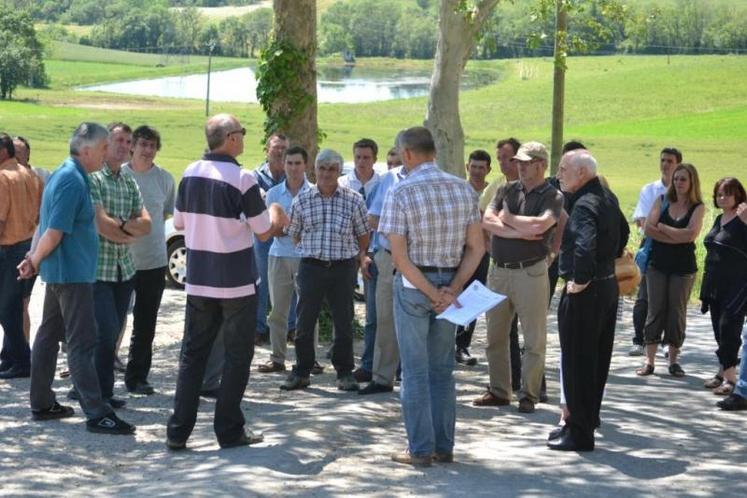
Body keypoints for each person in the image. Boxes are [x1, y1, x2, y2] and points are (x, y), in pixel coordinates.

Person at [166, 114, 284, 450]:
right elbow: (263, 230)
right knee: (236, 356)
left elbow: (178, 222)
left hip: (199, 278)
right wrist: (275, 210)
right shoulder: (243, 178)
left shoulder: (189, 173)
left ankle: (178, 431)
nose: (244, 138)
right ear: (230, 138)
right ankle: (228, 430)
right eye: (242, 133)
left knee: (192, 356)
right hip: (236, 282)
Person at [21, 122, 136, 434]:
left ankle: (42, 402)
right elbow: (55, 231)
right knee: (82, 343)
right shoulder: (73, 180)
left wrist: (35, 259)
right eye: (102, 149)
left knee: (47, 336)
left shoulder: (63, 172)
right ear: (86, 150)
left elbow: (48, 228)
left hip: (61, 272)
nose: (105, 154)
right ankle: (98, 413)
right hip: (72, 276)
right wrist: (34, 258)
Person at [379, 126, 483, 466]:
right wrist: (450, 290)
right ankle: (444, 445)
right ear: (433, 152)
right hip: (450, 283)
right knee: (442, 370)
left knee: (415, 371)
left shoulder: (401, 191)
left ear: (407, 154)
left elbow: (399, 256)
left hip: (414, 284)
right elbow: (476, 247)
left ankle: (420, 449)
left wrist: (431, 291)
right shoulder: (463, 189)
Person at [548, 149, 628, 451]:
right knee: (596, 361)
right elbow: (623, 233)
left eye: (564, 169)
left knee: (578, 361)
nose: (559, 175)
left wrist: (579, 281)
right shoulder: (607, 197)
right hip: (608, 288)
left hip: (587, 291)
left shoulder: (583, 204)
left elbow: (584, 245)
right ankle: (583, 422)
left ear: (582, 173)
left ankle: (579, 433)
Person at [478, 142, 564, 414]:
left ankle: (528, 393)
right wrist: (517, 231)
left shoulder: (553, 195)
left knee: (533, 339)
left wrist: (508, 218)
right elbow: (487, 221)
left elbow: (541, 225)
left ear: (541, 165)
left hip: (531, 272)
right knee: (495, 337)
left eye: (526, 162)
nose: (521, 167)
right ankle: (500, 391)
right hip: (499, 271)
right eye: (520, 162)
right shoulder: (505, 188)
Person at [71, 123, 151, 409]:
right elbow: (100, 225)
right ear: (106, 143)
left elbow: (148, 223)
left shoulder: (128, 181)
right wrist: (125, 229)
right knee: (103, 332)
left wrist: (120, 226)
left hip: (123, 270)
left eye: (128, 141)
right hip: (97, 270)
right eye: (118, 140)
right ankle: (91, 392)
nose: (124, 145)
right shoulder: (94, 179)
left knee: (113, 331)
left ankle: (101, 391)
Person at [281, 149, 370, 392]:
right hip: (311, 267)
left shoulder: (354, 200)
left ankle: (344, 373)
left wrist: (356, 258)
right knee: (304, 322)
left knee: (343, 322)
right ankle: (301, 371)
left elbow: (364, 235)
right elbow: (295, 234)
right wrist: (313, 252)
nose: (327, 173)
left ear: (340, 171)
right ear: (315, 170)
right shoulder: (302, 200)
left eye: (332, 169)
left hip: (342, 268)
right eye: (322, 168)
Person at [636, 163, 705, 378]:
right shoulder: (663, 199)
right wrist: (676, 235)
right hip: (657, 264)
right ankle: (649, 361)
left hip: (683, 268)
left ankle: (674, 360)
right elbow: (648, 228)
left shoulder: (698, 206)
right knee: (655, 310)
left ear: (692, 181)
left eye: (683, 179)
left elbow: (690, 235)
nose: (678, 183)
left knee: (676, 312)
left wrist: (664, 229)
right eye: (676, 179)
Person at [257, 145, 320, 374]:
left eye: (298, 163)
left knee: (307, 311)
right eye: (289, 163)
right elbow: (269, 229)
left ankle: (309, 359)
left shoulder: (314, 193)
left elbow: (312, 229)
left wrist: (286, 226)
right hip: (278, 256)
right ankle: (277, 358)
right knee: (278, 312)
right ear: (283, 165)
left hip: (306, 258)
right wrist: (289, 228)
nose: (293, 168)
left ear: (306, 166)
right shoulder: (273, 194)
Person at [123, 125, 176, 395]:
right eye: (142, 144)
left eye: (152, 145)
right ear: (131, 146)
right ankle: (95, 378)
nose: (147, 150)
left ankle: (137, 377)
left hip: (154, 262)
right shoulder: (118, 176)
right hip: (120, 260)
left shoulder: (165, 179)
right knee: (110, 322)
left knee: (146, 324)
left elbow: (166, 214)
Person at [359, 135, 408, 396]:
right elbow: (373, 217)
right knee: (384, 319)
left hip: (422, 258)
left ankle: (412, 376)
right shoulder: (390, 179)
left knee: (418, 318)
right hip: (389, 256)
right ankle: (382, 377)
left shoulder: (434, 177)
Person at [630, 147, 681, 356]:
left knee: (670, 299)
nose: (665, 164)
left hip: (675, 250)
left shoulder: (684, 192)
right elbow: (642, 222)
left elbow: (688, 229)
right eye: (663, 160)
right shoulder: (649, 190)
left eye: (670, 161)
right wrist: (669, 232)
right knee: (644, 297)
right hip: (650, 246)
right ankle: (639, 339)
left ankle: (666, 343)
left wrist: (657, 227)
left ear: (678, 164)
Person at [0, 133, 42, 379]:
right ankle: (10, 357)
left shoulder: (4, 177)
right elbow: (40, 212)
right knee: (14, 306)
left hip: (8, 249)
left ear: (3, 152)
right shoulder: (31, 174)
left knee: (7, 309)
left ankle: (23, 361)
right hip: (28, 246)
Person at [339, 138, 381, 384]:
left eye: (366, 157)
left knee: (374, 312)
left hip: (373, 252)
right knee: (343, 310)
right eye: (358, 157)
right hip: (345, 253)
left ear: (375, 159)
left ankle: (370, 362)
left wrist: (365, 253)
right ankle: (342, 360)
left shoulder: (383, 183)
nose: (362, 162)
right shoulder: (343, 184)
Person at [699, 178, 747, 394]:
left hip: (737, 285)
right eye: (719, 194)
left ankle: (731, 379)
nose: (722, 197)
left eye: (727, 193)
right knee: (719, 330)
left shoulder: (743, 217)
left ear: (738, 195)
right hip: (715, 284)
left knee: (729, 328)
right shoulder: (719, 218)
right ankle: (722, 371)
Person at [252, 133, 291, 346]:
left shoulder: (292, 173)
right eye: (276, 147)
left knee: (291, 280)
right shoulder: (255, 175)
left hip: (288, 235)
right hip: (262, 235)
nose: (280, 151)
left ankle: (290, 327)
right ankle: (259, 327)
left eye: (284, 147)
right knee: (261, 280)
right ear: (267, 149)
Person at [455, 150, 492, 366]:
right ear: (467, 167)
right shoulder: (459, 189)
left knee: (472, 296)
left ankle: (462, 345)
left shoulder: (492, 192)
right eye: (474, 166)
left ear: (488, 169)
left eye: (482, 167)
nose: (477, 171)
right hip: (456, 249)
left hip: (481, 251)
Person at [12, 136, 48, 344]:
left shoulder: (39, 176)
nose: (16, 155)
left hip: (28, 245)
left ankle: (22, 348)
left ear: (28, 154)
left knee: (20, 302)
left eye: (20, 151)